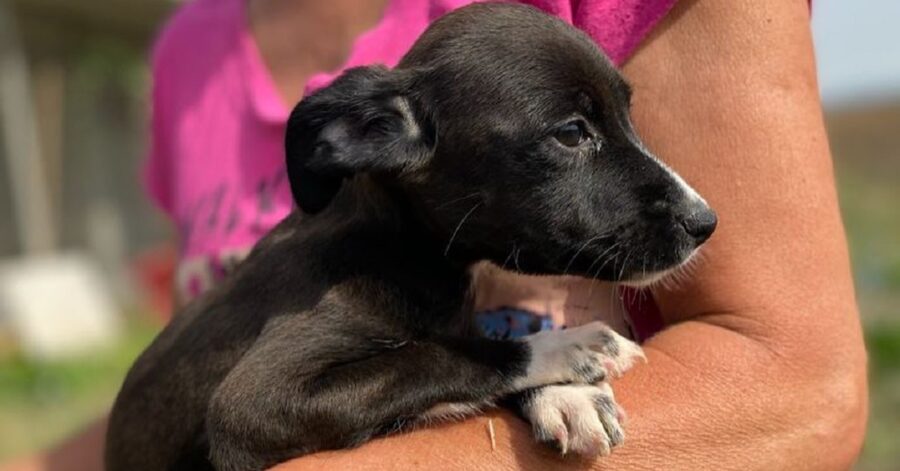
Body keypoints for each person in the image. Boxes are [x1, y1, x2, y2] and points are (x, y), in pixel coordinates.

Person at [2, 0, 867, 469]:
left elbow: (805, 386)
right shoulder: (349, 276)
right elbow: (248, 414)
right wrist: (521, 366)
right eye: (573, 135)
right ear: (378, 140)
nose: (683, 198)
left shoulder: (421, 260)